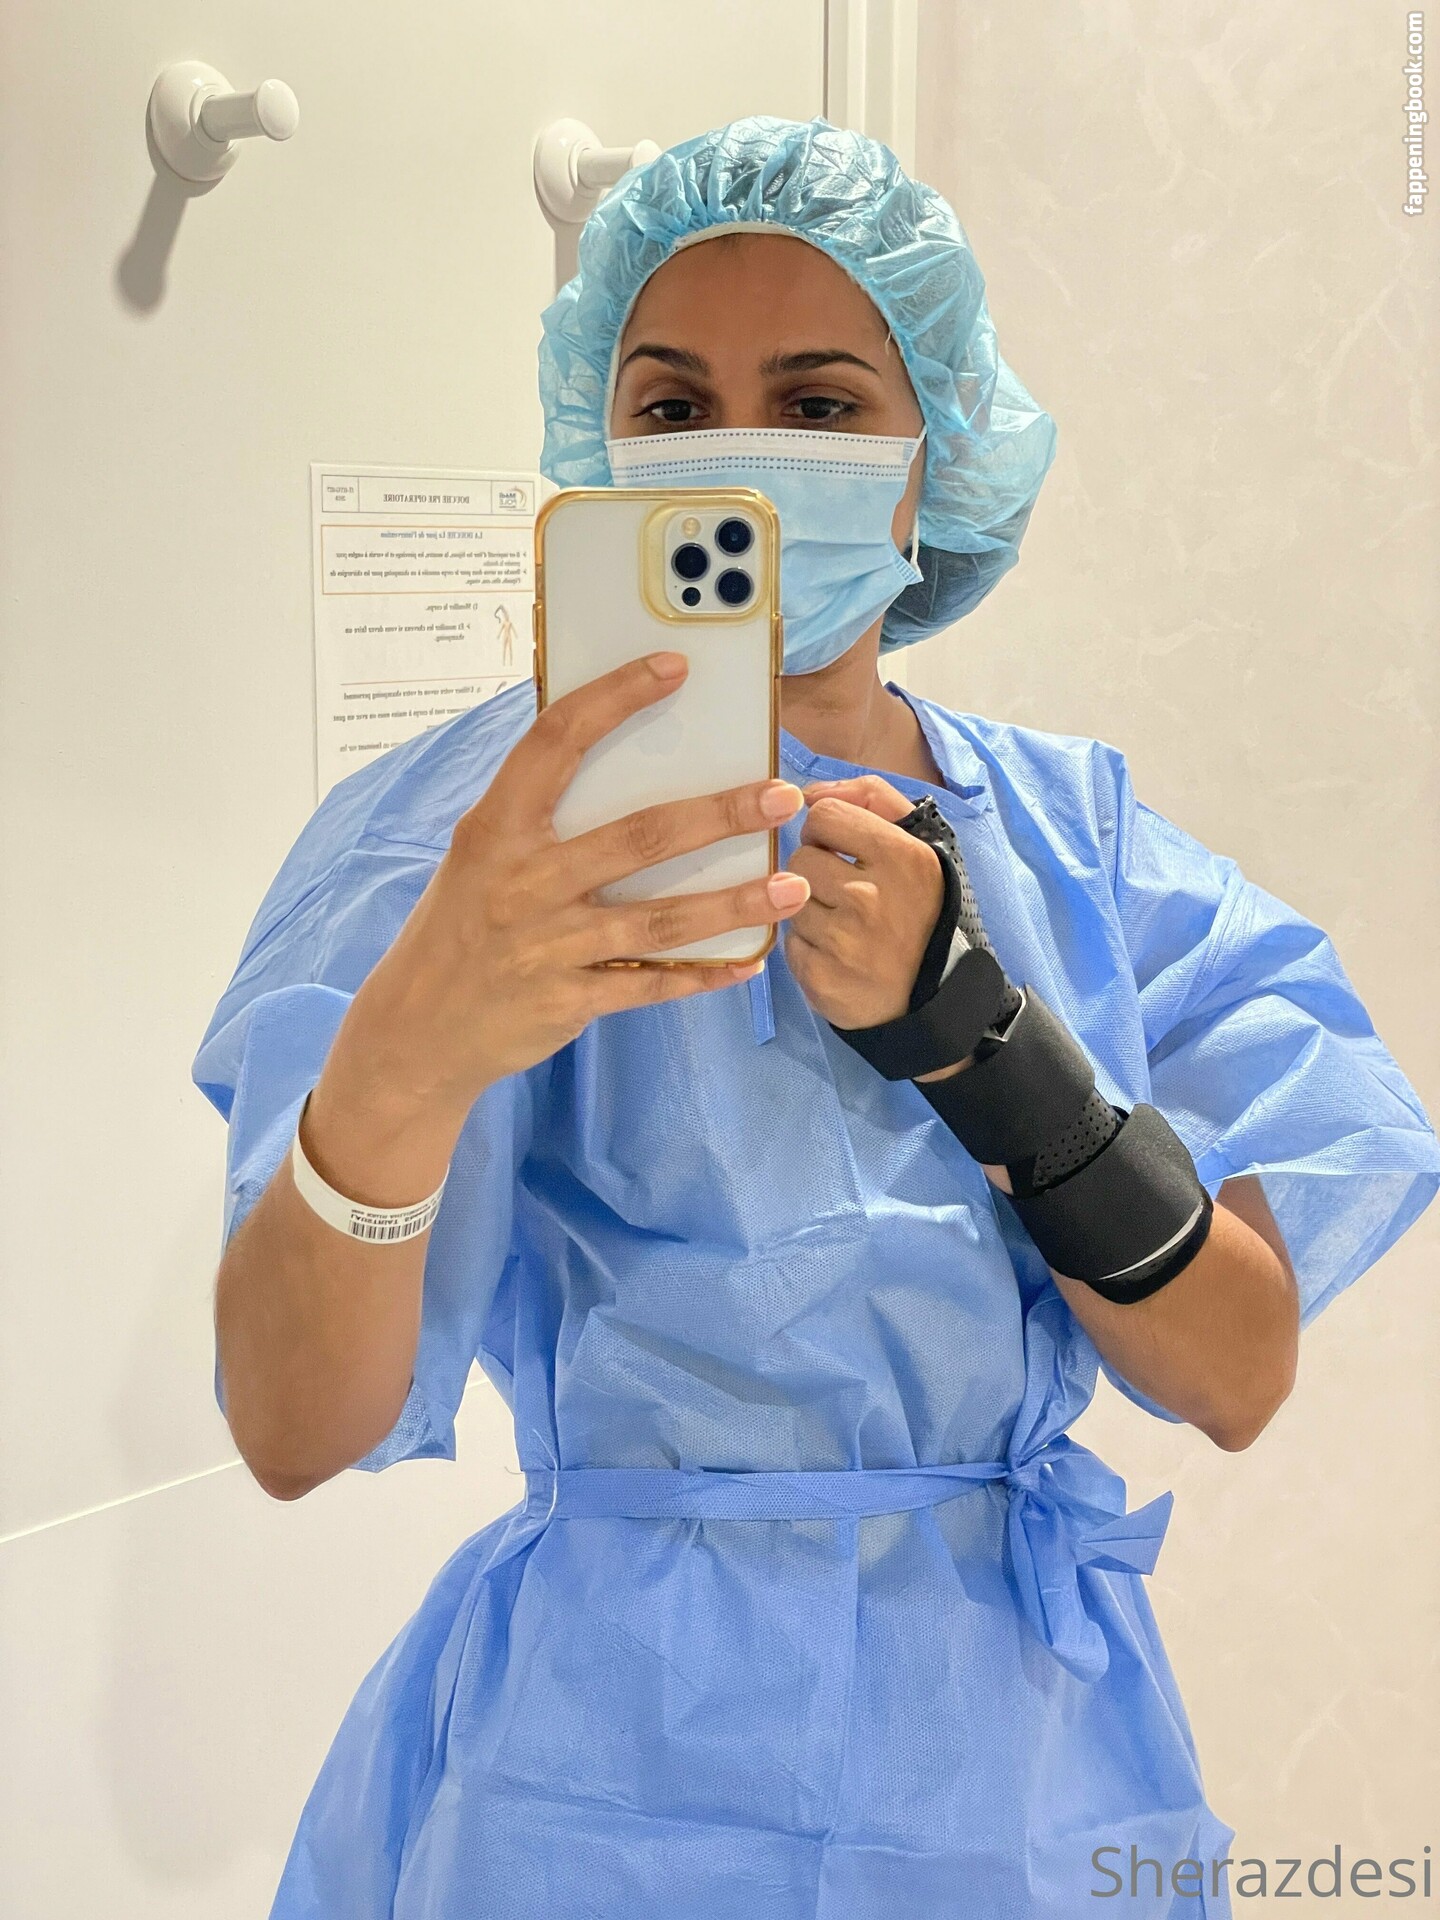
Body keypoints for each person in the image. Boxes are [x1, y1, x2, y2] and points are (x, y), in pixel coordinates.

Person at [192, 117, 1439, 1920]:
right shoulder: (469, 846)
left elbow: (1234, 1376)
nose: (744, 452)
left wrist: (983, 1041)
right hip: (598, 1781)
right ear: (603, 456)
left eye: (821, 401)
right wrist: (412, 1047)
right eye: (674, 406)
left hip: (1008, 1771)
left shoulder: (1074, 844)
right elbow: (294, 1429)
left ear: (934, 466)